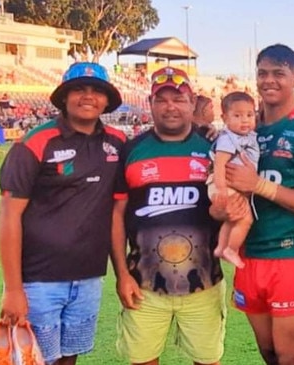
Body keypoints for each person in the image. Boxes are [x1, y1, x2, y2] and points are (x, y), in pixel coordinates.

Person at [0, 62, 126, 365]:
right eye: (79, 89)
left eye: (97, 91)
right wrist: (14, 288)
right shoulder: (35, 142)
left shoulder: (117, 143)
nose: (88, 96)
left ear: (107, 100)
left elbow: (118, 211)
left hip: (89, 278)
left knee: (69, 357)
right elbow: (8, 217)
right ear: (64, 96)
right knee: (34, 359)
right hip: (38, 281)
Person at [219, 44, 294, 365]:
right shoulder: (244, 129)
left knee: (289, 357)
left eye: (279, 73)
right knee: (269, 353)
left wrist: (258, 185)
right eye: (263, 73)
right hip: (248, 257)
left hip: (291, 256)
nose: (269, 80)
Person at [111, 66, 229, 365]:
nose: (170, 106)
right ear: (150, 104)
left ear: (192, 103)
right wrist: (122, 275)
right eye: (161, 100)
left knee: (207, 360)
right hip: (144, 285)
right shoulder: (132, 150)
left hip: (204, 284)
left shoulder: (214, 149)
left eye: (178, 98)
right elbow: (117, 216)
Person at [209, 91, 259, 268]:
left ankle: (221, 247)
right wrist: (221, 187)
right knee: (246, 220)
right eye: (237, 116)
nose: (244, 120)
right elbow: (220, 163)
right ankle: (231, 248)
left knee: (233, 219)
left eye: (249, 115)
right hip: (224, 182)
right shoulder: (228, 138)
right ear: (225, 118)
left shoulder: (246, 136)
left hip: (230, 183)